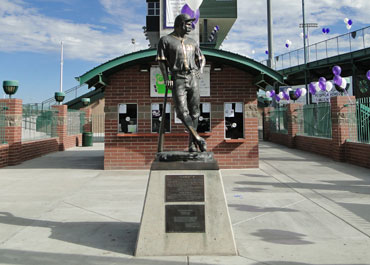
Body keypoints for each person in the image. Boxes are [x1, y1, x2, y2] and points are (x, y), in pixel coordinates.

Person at [156, 13, 207, 152]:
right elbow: (161, 61)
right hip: (177, 78)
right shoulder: (166, 40)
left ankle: (192, 144)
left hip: (192, 77)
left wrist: (200, 70)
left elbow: (201, 58)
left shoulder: (192, 42)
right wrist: (166, 79)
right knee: (181, 111)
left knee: (195, 112)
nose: (190, 27)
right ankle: (198, 138)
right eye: (188, 24)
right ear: (180, 24)